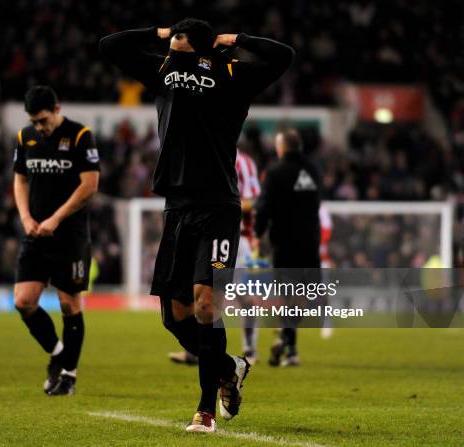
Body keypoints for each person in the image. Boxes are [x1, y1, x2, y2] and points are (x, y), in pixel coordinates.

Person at [100, 18, 294, 432]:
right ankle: (230, 366)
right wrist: (157, 33)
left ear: (196, 44)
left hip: (219, 207)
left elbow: (283, 56)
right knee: (174, 315)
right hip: (177, 207)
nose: (170, 46)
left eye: (177, 40)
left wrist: (236, 40)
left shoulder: (231, 74)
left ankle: (205, 409)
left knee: (207, 304)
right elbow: (111, 45)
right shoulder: (164, 70)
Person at [13, 86, 100, 396]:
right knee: (23, 301)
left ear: (57, 108)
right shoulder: (26, 138)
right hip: (36, 231)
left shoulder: (80, 136)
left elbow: (90, 184)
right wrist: (26, 217)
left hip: (70, 234)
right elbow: (20, 178)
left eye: (44, 120)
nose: (39, 127)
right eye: (34, 122)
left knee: (69, 303)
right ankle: (58, 353)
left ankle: (69, 374)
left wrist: (56, 219)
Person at [167, 148, 261, 365]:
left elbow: (251, 200)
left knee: (241, 295)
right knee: (197, 292)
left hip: (232, 236)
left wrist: (224, 202)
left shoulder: (243, 162)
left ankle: (250, 349)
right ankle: (195, 351)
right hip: (204, 233)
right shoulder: (203, 155)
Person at [254, 128, 321, 367]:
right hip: (310, 242)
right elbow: (315, 202)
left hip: (284, 243)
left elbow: (264, 206)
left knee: (286, 294)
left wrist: (257, 233)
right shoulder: (312, 170)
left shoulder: (274, 172)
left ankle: (286, 337)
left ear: (281, 147)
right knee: (303, 294)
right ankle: (290, 345)